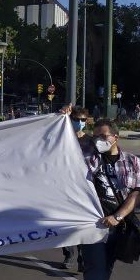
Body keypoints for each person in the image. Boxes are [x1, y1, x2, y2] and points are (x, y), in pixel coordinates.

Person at [81, 118, 140, 280]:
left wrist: (117, 217)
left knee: (106, 266)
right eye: (96, 136)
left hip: (119, 224)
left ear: (115, 137)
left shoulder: (133, 162)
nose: (99, 140)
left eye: (103, 136)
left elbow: (135, 194)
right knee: (95, 266)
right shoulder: (87, 160)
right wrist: (66, 118)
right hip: (91, 224)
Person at [61, 106, 91, 271]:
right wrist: (60, 115)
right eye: (76, 119)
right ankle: (69, 253)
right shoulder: (62, 137)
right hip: (65, 187)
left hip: (85, 189)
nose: (80, 123)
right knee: (66, 222)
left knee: (83, 223)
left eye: (83, 120)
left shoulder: (91, 141)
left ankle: (82, 256)